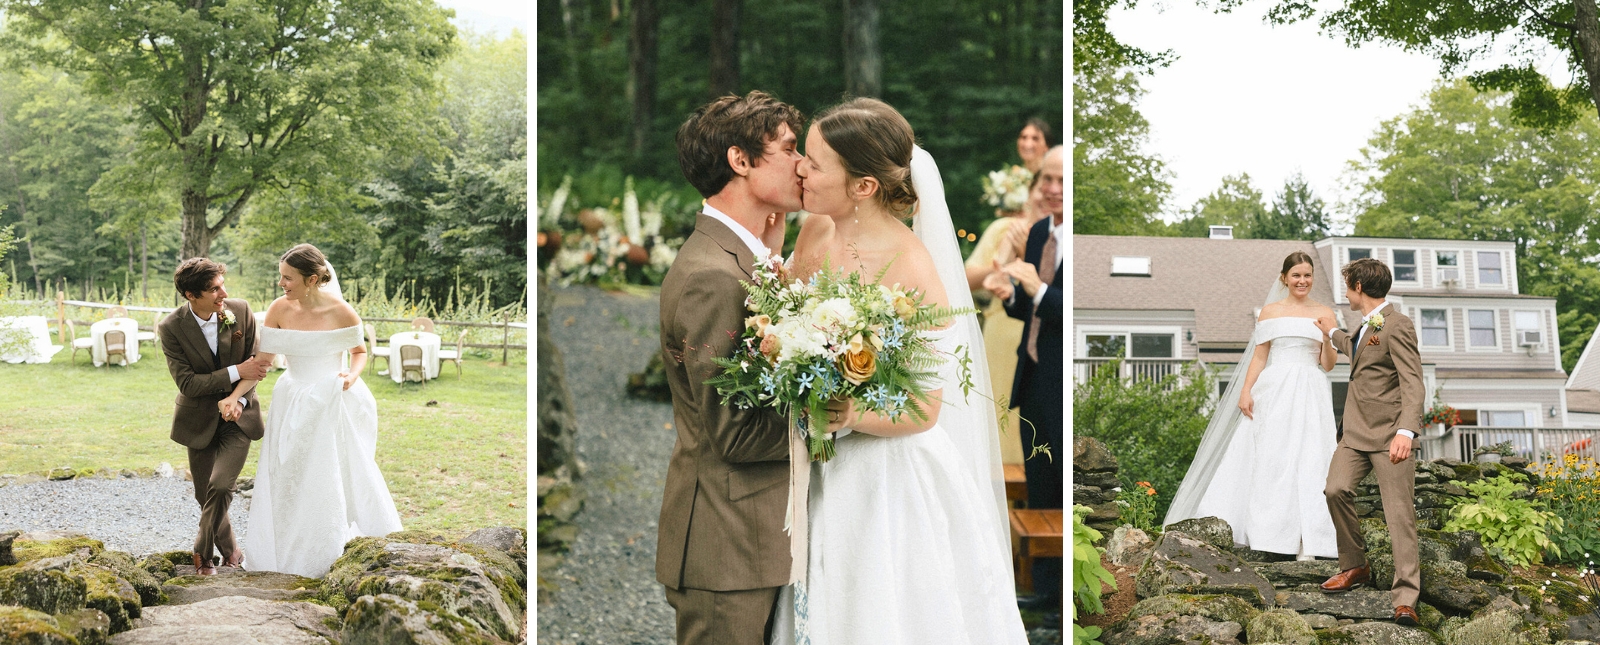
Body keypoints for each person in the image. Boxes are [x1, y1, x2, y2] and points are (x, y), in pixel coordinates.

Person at [772, 97, 1027, 643]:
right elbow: (787, 322)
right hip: (817, 466)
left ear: (863, 186)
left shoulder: (913, 267)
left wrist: (848, 410)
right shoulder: (816, 229)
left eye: (815, 163)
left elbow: (924, 408)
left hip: (883, 480)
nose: (800, 168)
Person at [656, 91, 807, 645]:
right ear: (739, 160)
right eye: (790, 148)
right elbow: (735, 434)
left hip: (752, 541)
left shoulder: (741, 261)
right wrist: (841, 420)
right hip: (726, 546)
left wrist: (772, 263)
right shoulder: (713, 277)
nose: (803, 164)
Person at [1164, 252, 1341, 562]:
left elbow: (1327, 365)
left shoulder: (1325, 312)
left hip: (1310, 390)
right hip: (1274, 389)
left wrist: (1327, 335)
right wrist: (1246, 390)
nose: (1302, 281)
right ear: (1284, 278)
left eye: (1308, 275)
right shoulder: (1270, 312)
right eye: (1296, 275)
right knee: (1272, 457)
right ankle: (1268, 533)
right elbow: (1260, 356)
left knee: (1312, 457)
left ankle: (1308, 540)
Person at [243, 243, 403, 578]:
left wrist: (351, 375)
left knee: (328, 473)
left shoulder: (342, 312)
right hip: (292, 400)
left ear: (313, 279)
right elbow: (263, 362)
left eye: (288, 278)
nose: (281, 283)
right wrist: (236, 395)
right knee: (288, 474)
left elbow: (359, 352)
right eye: (281, 277)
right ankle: (285, 551)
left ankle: (329, 547)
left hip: (332, 399)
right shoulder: (278, 310)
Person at [1314, 258, 1425, 626]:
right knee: (1335, 489)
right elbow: (1356, 349)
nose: (1346, 292)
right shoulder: (1364, 326)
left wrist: (1406, 432)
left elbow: (1413, 382)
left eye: (1348, 286)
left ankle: (1405, 598)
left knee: (1399, 516)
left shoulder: (1398, 325)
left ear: (1359, 287)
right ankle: (1355, 565)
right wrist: (1332, 332)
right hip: (1355, 434)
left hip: (1390, 437)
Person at [984, 145, 1065, 625]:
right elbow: (1029, 310)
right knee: (1038, 480)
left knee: (1061, 484)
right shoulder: (1038, 232)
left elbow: (1062, 307)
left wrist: (1037, 290)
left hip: (1059, 379)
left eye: (1061, 181)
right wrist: (1013, 294)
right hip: (1032, 374)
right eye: (1047, 180)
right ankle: (1044, 588)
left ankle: (1061, 599)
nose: (1052, 189)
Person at [157, 258, 270, 575]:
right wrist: (235, 370)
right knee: (202, 493)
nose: (224, 293)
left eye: (223, 285)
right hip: (198, 420)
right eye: (214, 289)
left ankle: (202, 552)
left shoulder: (241, 311)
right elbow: (188, 383)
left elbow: (257, 367)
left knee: (220, 488)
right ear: (191, 295)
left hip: (240, 417)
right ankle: (232, 550)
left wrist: (238, 399)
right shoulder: (171, 328)